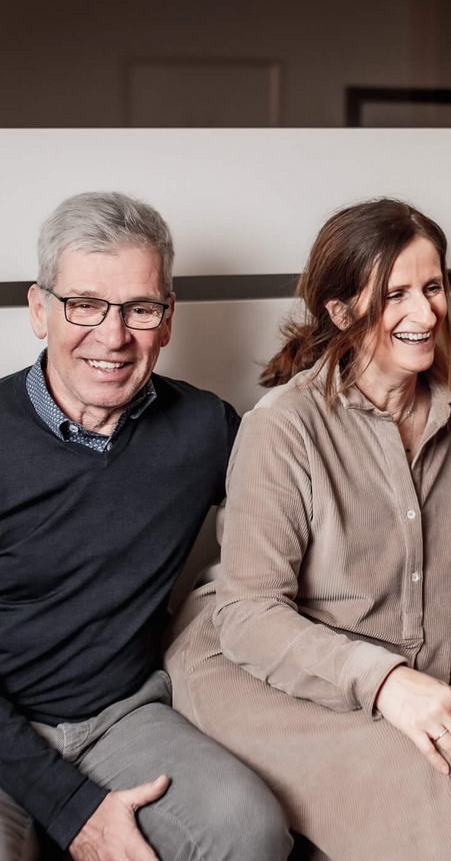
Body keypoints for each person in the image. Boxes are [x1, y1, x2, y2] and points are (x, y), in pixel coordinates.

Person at [165, 198, 451, 860]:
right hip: (255, 671)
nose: (425, 312)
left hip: (412, 668)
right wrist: (386, 684)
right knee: (433, 782)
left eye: (433, 287)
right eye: (395, 294)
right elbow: (248, 615)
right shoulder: (284, 427)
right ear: (342, 312)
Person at [0, 192, 290, 860]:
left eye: (139, 308)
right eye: (85, 305)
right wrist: (75, 813)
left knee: (248, 832)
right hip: (3, 728)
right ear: (39, 310)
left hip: (122, 716)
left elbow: (309, 482)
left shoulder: (204, 430)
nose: (113, 335)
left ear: (167, 319)